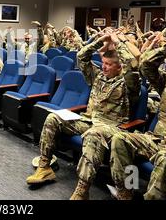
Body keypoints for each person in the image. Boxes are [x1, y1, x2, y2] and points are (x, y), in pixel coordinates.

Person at [26, 29, 140, 200]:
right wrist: (100, 40)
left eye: (109, 64)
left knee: (94, 135)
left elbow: (133, 65)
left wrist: (117, 42)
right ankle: (45, 167)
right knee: (54, 117)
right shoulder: (98, 76)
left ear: (119, 67)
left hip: (112, 127)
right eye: (103, 63)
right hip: (89, 120)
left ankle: (82, 190)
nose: (104, 67)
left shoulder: (128, 84)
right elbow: (82, 56)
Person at [109, 34, 166, 200]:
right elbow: (145, 64)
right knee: (121, 139)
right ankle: (127, 191)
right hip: (158, 141)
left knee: (165, 158)